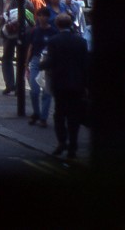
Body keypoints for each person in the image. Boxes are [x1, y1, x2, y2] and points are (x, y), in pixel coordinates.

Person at [41, 13, 89, 159]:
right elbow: (85, 64)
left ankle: (62, 142)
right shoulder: (81, 41)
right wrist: (86, 85)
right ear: (70, 25)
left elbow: (51, 61)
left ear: (57, 25)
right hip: (77, 84)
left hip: (60, 84)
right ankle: (73, 147)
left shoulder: (54, 41)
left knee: (59, 115)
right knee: (74, 116)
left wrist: (41, 64)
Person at [25, 7, 57, 128]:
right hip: (36, 61)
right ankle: (36, 113)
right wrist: (26, 63)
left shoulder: (53, 32)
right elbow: (31, 47)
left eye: (45, 16)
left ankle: (43, 117)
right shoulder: (34, 31)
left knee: (47, 92)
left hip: (48, 62)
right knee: (34, 89)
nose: (42, 18)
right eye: (40, 15)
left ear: (49, 17)